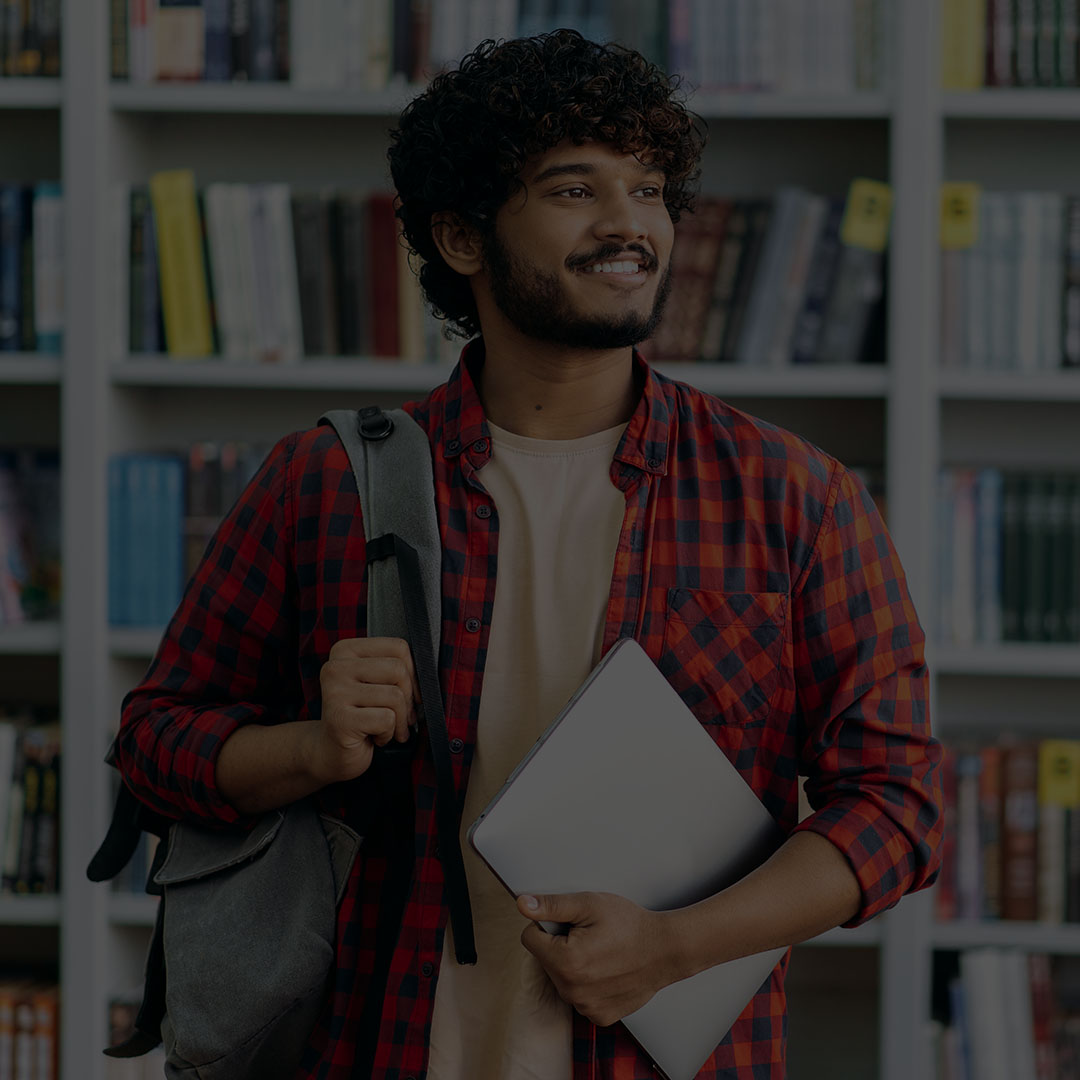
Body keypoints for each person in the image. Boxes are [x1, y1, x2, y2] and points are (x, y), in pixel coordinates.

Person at [113, 29, 944, 1080]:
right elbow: (155, 745)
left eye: (649, 190)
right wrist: (309, 751)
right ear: (462, 238)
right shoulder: (325, 482)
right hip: (380, 1048)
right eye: (574, 190)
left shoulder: (795, 497)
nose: (629, 225)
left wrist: (675, 948)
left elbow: (897, 808)